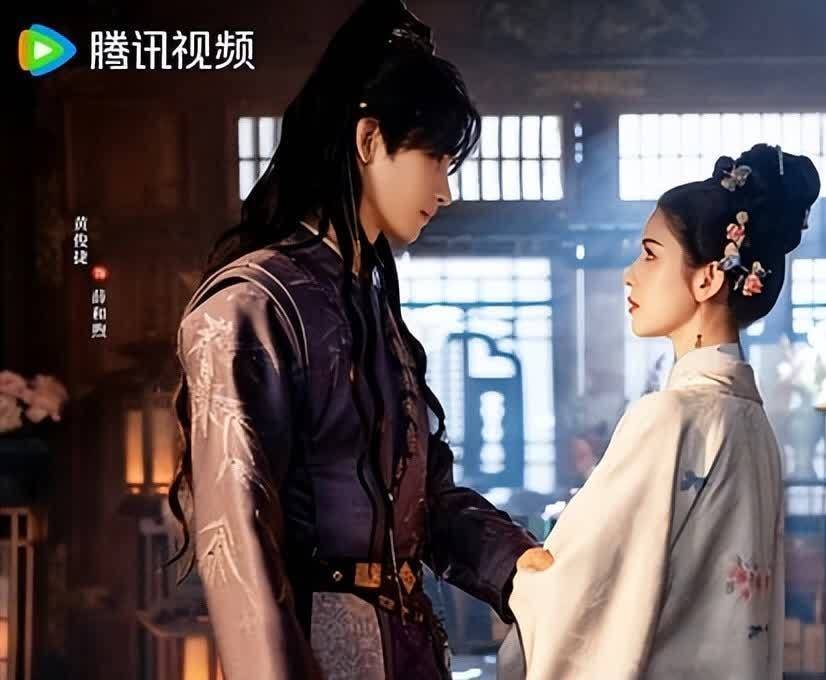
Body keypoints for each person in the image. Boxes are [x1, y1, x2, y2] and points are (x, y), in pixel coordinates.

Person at [166, 3, 551, 679]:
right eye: (435, 158)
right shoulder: (254, 306)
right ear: (370, 139)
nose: (446, 190)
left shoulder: (373, 309)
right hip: (323, 652)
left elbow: (428, 505)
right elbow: (238, 548)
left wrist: (523, 564)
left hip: (410, 647)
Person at [500, 143, 820, 679]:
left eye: (650, 255)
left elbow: (580, 585)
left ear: (708, 278)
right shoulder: (753, 424)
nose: (630, 274)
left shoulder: (671, 418)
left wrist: (513, 568)